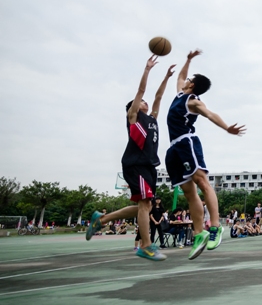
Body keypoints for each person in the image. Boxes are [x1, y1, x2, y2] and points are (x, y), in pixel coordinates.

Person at [86, 56, 174, 261]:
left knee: (146, 207)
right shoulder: (133, 116)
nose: (145, 101)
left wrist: (166, 77)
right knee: (144, 205)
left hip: (149, 166)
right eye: (141, 101)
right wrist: (147, 69)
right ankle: (146, 246)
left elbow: (158, 96)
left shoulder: (152, 118)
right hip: (135, 164)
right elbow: (141, 91)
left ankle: (102, 220)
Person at [165, 49, 246, 259]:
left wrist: (227, 127)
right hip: (173, 148)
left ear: (192, 85)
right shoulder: (180, 94)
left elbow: (210, 114)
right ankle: (199, 233)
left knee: (202, 182)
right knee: (188, 193)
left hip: (187, 143)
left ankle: (216, 226)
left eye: (189, 80)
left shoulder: (193, 101)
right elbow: (181, 77)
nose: (185, 80)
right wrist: (188, 60)